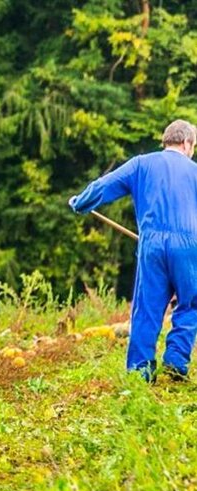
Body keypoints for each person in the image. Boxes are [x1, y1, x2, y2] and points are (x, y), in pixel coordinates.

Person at [68, 119, 197, 380]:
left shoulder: (141, 164)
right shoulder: (194, 171)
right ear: (186, 143)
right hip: (189, 244)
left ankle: (140, 372)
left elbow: (105, 184)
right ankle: (175, 360)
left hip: (151, 245)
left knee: (147, 307)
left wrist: (81, 202)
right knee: (191, 301)